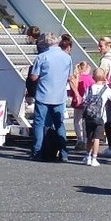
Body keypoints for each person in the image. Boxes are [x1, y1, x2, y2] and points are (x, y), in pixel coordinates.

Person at [29, 33, 73, 161]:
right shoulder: (67, 57)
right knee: (59, 124)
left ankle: (37, 152)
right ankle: (64, 153)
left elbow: (34, 77)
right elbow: (70, 77)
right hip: (59, 96)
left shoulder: (42, 57)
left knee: (39, 124)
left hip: (43, 95)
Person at [76, 60, 111, 167]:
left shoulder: (89, 88)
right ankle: (94, 157)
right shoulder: (106, 89)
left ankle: (87, 156)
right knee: (97, 138)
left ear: (93, 77)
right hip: (100, 117)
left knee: (89, 137)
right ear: (104, 77)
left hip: (88, 116)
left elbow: (84, 100)